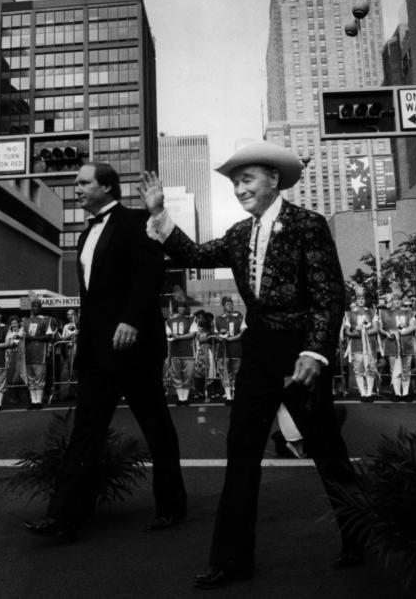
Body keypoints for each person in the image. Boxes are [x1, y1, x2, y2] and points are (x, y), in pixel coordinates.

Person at [140, 141, 360, 588]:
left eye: (247, 179)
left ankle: (363, 536)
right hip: (258, 355)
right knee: (240, 454)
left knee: (328, 453)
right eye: (235, 182)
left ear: (273, 180)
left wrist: (315, 351)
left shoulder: (307, 225)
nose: (239, 188)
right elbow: (195, 256)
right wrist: (160, 215)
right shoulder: (240, 234)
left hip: (300, 355)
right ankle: (231, 560)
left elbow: (328, 294)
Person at [24, 161, 186, 541]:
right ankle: (63, 517)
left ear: (107, 187)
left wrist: (131, 320)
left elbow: (151, 274)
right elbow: (92, 300)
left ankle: (172, 505)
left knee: (156, 426)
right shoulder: (84, 236)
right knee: (86, 431)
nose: (75, 188)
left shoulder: (134, 222)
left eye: (83, 183)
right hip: (98, 353)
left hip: (135, 347)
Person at [341, 288, 378, 402]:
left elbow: (376, 328)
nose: (361, 300)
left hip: (370, 345)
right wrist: (353, 333)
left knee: (370, 368)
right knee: (358, 368)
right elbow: (347, 330)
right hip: (357, 345)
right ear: (356, 300)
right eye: (358, 298)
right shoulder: (350, 313)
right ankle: (362, 393)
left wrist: (364, 332)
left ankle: (369, 393)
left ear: (365, 299)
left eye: (363, 298)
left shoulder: (372, 312)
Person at [20, 298, 56, 410]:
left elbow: (49, 336)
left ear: (40, 307)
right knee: (31, 378)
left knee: (39, 378)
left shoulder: (46, 320)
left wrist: (32, 338)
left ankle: (39, 401)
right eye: (33, 306)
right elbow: (21, 335)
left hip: (40, 352)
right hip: (28, 353)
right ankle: (33, 401)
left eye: (37, 306)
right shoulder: (26, 321)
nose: (35, 308)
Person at [214, 297, 245, 405]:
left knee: (237, 373)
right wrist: (220, 336)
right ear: (223, 306)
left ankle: (236, 396)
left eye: (231, 303)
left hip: (237, 349)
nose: (229, 305)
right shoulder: (218, 319)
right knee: (224, 373)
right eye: (227, 304)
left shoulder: (240, 317)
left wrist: (233, 338)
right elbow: (215, 334)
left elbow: (243, 333)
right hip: (223, 350)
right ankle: (228, 397)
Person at [166, 303, 198, 405]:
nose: (181, 308)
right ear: (176, 308)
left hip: (188, 351)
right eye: (179, 306)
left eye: (183, 307)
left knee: (188, 375)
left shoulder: (192, 319)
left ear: (186, 308)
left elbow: (193, 334)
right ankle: (181, 398)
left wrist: (179, 337)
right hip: (175, 352)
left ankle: (186, 397)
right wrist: (172, 336)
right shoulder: (169, 321)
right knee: (176, 375)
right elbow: (168, 334)